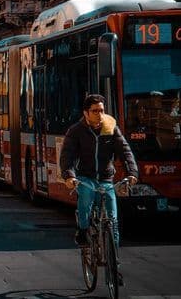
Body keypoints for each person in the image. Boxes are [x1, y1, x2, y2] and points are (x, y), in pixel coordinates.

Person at [60, 93, 138, 283]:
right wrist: (69, 176)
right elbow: (67, 156)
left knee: (113, 221)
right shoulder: (76, 131)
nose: (99, 114)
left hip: (106, 179)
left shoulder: (110, 128)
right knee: (85, 198)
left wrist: (132, 173)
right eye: (95, 111)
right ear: (86, 113)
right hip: (85, 178)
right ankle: (83, 231)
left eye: (102, 110)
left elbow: (125, 151)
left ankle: (114, 265)